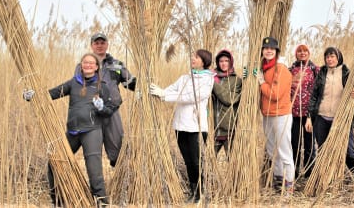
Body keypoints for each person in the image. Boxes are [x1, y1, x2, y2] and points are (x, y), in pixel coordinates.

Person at [23, 53, 113, 207]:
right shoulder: (74, 82)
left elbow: (109, 111)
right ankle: (58, 200)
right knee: (54, 162)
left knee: (94, 171)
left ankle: (102, 204)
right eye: (85, 62)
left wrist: (101, 107)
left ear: (97, 67)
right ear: (81, 65)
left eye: (92, 63)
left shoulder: (102, 86)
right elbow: (51, 94)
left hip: (92, 132)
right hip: (73, 132)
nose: (88, 65)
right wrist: (32, 95)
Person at [149, 49, 214, 203]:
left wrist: (164, 96)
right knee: (188, 161)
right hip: (180, 126)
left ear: (204, 61)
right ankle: (193, 192)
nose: (193, 58)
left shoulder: (207, 80)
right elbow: (171, 89)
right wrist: (158, 91)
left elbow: (191, 97)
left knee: (196, 160)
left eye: (196, 57)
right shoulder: (185, 78)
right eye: (192, 56)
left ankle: (201, 193)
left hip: (196, 128)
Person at [305, 47, 354, 184]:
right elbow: (314, 96)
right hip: (321, 117)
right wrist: (309, 116)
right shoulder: (321, 73)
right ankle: (326, 178)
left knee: (348, 150)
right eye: (327, 57)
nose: (329, 59)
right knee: (323, 149)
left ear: (338, 57)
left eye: (332, 56)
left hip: (341, 119)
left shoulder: (346, 73)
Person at [82, 32, 137, 168]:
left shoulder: (117, 64)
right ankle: (97, 183)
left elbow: (129, 83)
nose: (99, 46)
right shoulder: (85, 64)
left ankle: (119, 181)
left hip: (112, 112)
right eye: (96, 43)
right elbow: (77, 86)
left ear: (107, 45)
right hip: (92, 113)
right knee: (92, 151)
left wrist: (142, 86)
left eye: (102, 43)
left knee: (117, 149)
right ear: (92, 46)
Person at [254, 37, 295, 193]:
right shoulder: (265, 68)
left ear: (277, 51)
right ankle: (279, 185)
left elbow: (275, 94)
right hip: (267, 115)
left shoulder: (281, 69)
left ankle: (288, 189)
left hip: (280, 115)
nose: (269, 50)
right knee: (272, 152)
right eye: (266, 48)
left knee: (284, 151)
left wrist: (261, 82)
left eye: (272, 48)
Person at [289, 44, 319, 179]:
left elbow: (320, 91)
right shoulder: (291, 70)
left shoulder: (315, 69)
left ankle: (309, 173)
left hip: (310, 115)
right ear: (296, 54)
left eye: (305, 51)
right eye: (299, 51)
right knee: (294, 143)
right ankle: (293, 172)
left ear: (309, 53)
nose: (302, 53)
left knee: (309, 144)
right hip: (293, 113)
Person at [211, 49, 242, 157]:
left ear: (231, 62)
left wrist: (213, 83)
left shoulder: (237, 80)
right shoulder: (210, 77)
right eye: (221, 61)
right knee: (206, 162)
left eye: (226, 61)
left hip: (228, 129)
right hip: (212, 128)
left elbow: (230, 99)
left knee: (233, 160)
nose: (223, 63)